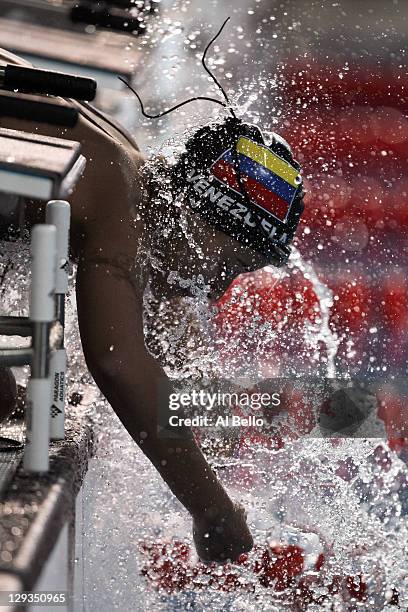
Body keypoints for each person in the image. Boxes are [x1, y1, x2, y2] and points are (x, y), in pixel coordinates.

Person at [0, 48, 304, 563]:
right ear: (199, 220)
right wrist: (212, 509)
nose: (219, 289)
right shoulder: (120, 210)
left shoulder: (131, 173)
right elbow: (119, 363)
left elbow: (164, 341)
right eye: (227, 267)